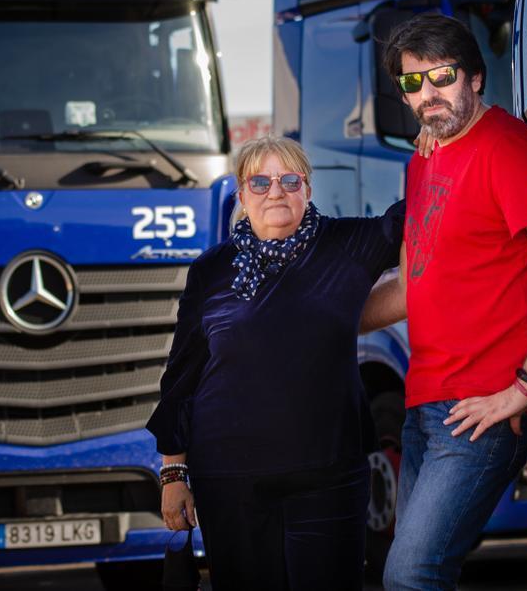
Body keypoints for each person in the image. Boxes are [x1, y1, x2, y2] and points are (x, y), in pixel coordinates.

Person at [360, 13, 527, 590]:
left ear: (474, 76)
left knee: (411, 574)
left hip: (485, 408)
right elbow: (414, 283)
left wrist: (524, 387)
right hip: (427, 401)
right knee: (414, 574)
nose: (427, 96)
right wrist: (319, 319)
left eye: (440, 77)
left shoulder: (506, 147)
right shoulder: (421, 159)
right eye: (412, 83)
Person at [146, 136, 404, 591]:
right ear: (242, 196)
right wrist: (173, 472)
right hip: (230, 484)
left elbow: (414, 217)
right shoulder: (211, 269)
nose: (275, 192)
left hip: (328, 478)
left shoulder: (344, 245)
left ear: (307, 188)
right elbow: (182, 377)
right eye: (260, 182)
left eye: (289, 180)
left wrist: (437, 147)